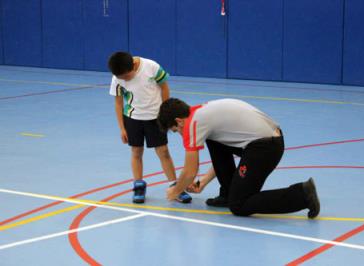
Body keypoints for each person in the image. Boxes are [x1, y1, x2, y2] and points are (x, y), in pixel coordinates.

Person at [157, 98, 320, 218]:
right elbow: (221, 151)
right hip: (266, 141)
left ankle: (302, 194)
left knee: (239, 205)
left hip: (265, 148)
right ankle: (227, 194)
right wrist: (204, 182)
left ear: (179, 121)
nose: (179, 134)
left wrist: (175, 191)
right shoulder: (201, 112)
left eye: (175, 130)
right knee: (213, 140)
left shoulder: (193, 124)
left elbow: (190, 172)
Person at [108, 51, 191, 204]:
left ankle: (176, 186)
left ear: (133, 65)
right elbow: (118, 102)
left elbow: (164, 88)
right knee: (136, 152)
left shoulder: (151, 67)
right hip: (133, 119)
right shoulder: (117, 77)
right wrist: (122, 128)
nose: (124, 79)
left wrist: (165, 113)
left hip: (155, 118)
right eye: (121, 78)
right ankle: (139, 185)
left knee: (163, 152)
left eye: (126, 76)